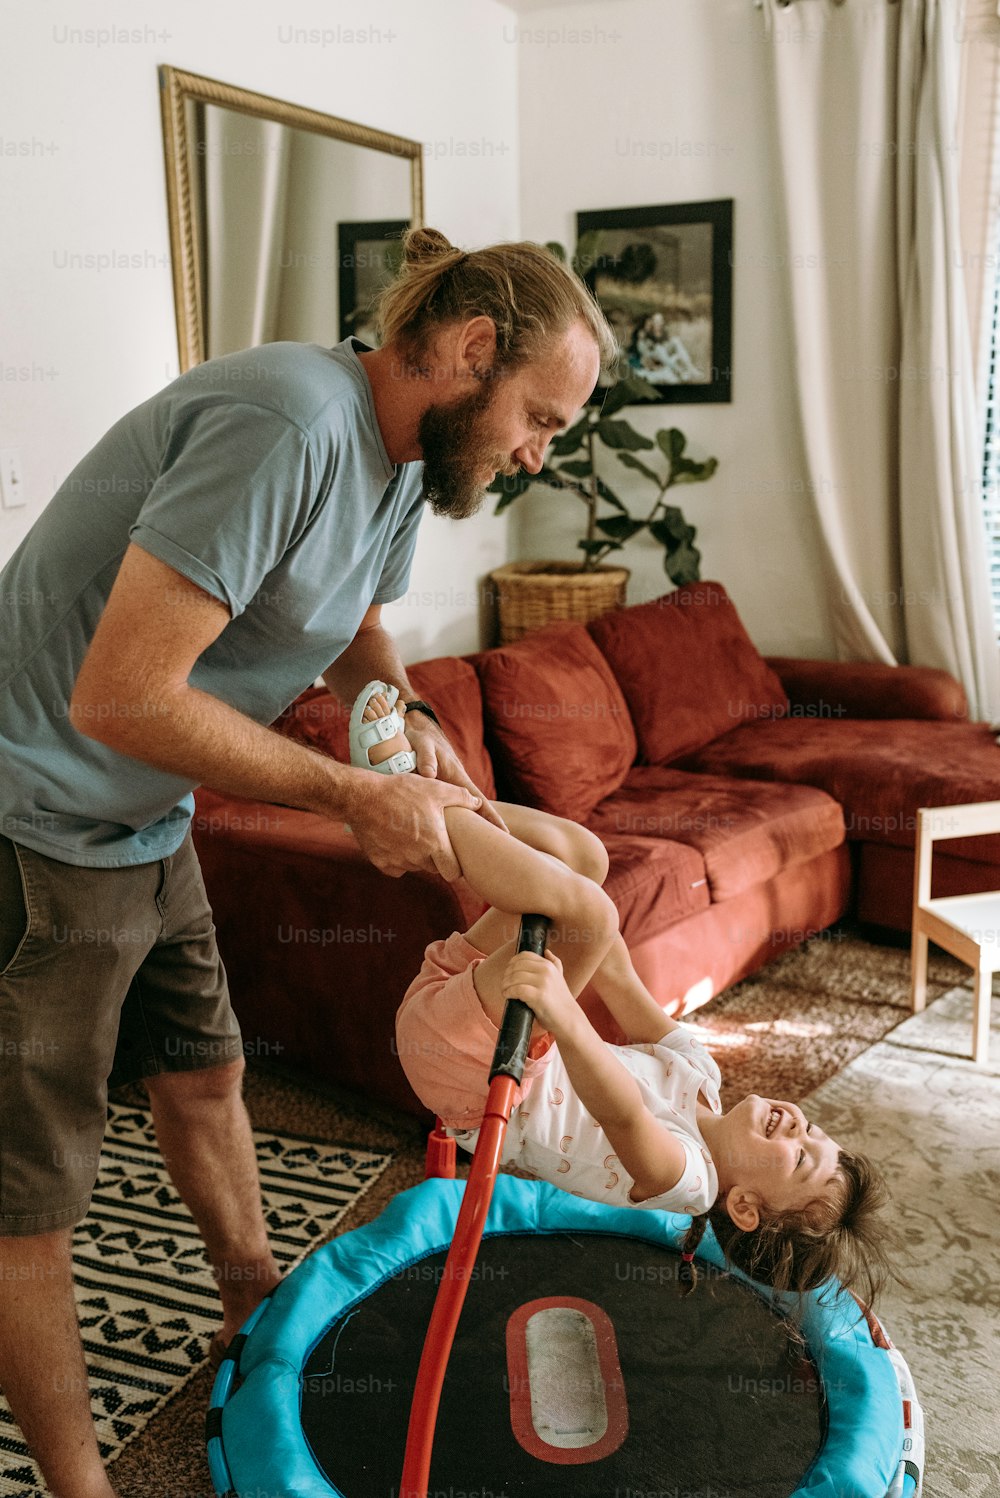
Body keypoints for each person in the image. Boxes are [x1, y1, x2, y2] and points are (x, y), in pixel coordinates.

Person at [0, 227, 617, 1498]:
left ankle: (252, 1304)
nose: (535, 454)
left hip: (144, 817)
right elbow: (122, 695)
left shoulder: (402, 464)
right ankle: (78, 1484)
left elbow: (359, 630)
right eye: (539, 418)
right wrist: (346, 791)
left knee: (207, 1068)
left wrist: (414, 722)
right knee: (31, 1197)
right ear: (469, 348)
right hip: (34, 822)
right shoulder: (291, 421)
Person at [357, 689, 894, 1307]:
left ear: (744, 1207)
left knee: (589, 906)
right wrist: (574, 906)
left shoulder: (686, 1179)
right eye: (815, 1132)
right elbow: (621, 982)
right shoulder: (701, 1075)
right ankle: (427, 806)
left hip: (471, 1070)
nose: (799, 1126)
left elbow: (622, 1115)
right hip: (476, 1005)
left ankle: (398, 801)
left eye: (800, 1160)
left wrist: (562, 1003)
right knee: (587, 857)